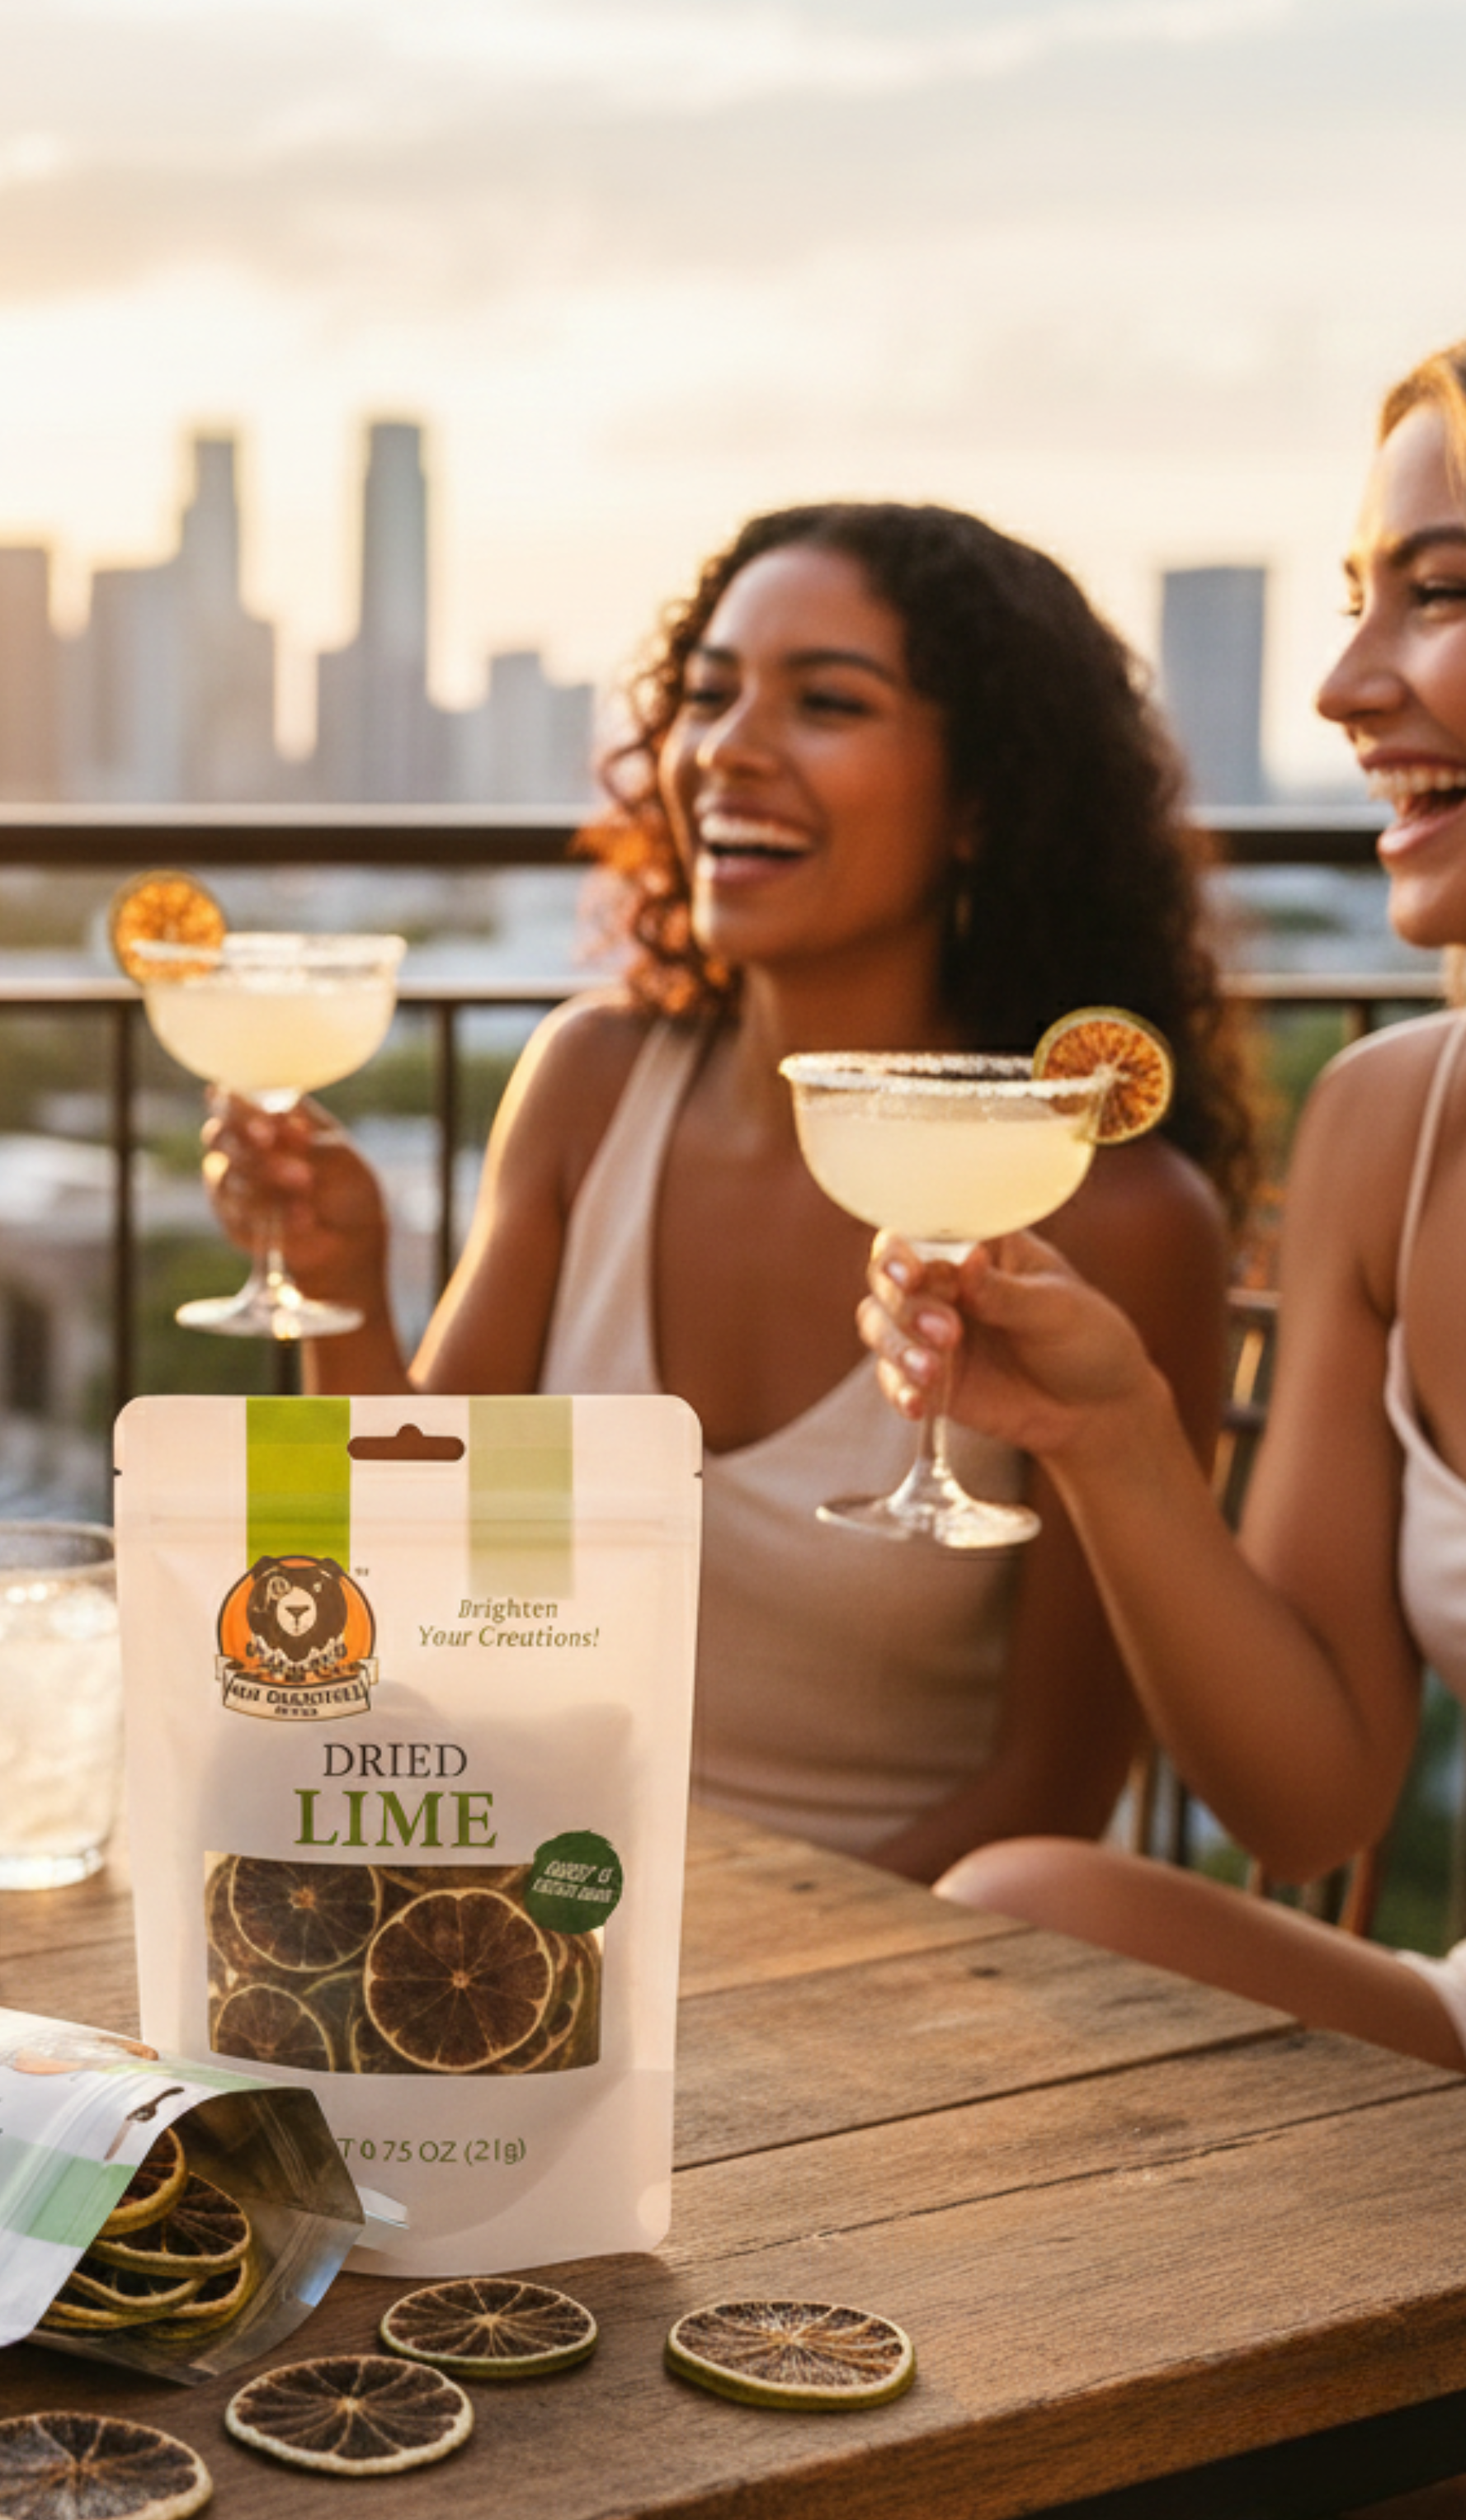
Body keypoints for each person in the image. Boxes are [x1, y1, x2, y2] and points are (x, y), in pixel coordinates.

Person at [205, 502, 1255, 1879]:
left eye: (825, 702)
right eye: (707, 696)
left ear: (983, 799)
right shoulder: (590, 1083)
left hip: (900, 1968)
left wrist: (689, 1957)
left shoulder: (1117, 1217)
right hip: (527, 1900)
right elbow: (407, 1571)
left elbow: (1046, 1789)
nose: (727, 750)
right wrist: (340, 1290)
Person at [862, 343, 1466, 2075]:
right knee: (1021, 1911)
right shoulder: (1392, 1125)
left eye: (1441, 594)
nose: (1349, 686)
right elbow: (1309, 1796)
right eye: (1361, 601)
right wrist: (1106, 1425)